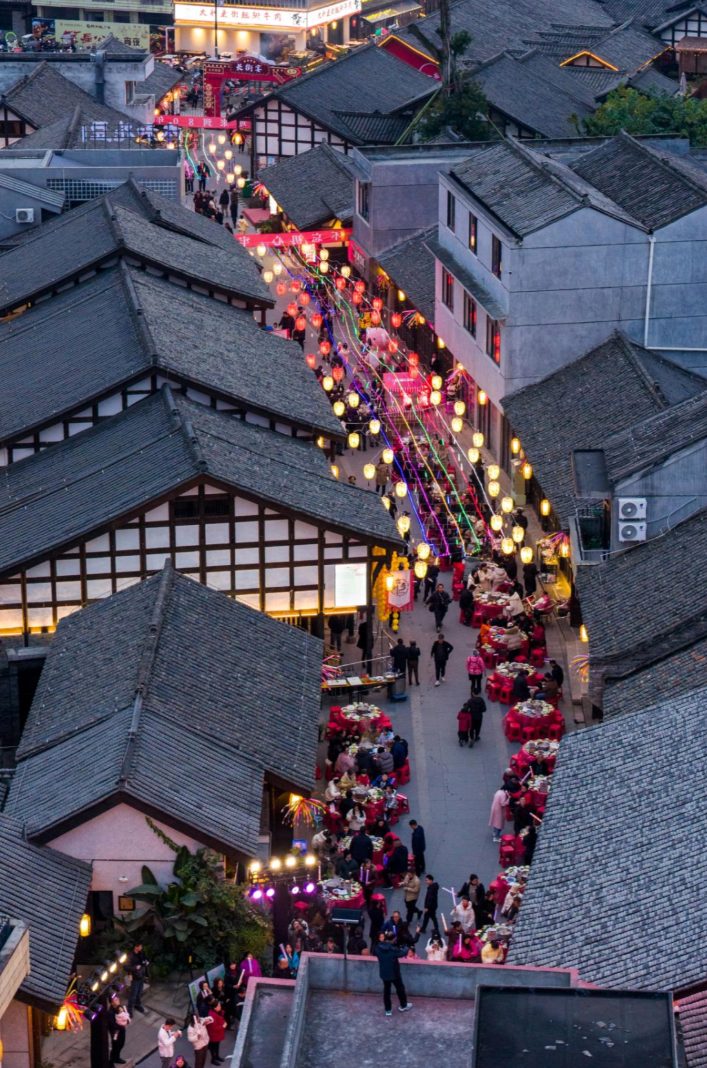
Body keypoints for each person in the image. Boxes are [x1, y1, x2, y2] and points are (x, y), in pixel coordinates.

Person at [374, 933, 412, 1016]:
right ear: (394, 939)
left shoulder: (378, 947)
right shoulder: (393, 949)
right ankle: (403, 1005)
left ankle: (388, 1009)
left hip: (384, 972)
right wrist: (405, 946)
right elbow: (402, 953)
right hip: (394, 973)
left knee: (386, 991)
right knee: (400, 988)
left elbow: (375, 952)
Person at [126, 941, 148, 1016]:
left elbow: (145, 960)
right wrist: (135, 968)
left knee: (139, 992)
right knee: (133, 994)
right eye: (140, 946)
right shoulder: (131, 956)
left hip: (141, 975)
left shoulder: (141, 954)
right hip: (135, 977)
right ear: (136, 947)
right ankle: (129, 1008)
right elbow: (126, 966)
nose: (141, 948)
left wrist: (146, 963)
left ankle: (137, 1004)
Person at [108, 994, 129, 1066]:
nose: (118, 1000)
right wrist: (122, 1027)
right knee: (115, 1047)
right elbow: (112, 1024)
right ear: (112, 1003)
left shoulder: (120, 1007)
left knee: (121, 1044)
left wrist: (126, 1021)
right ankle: (111, 1062)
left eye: (117, 998)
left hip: (122, 1030)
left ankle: (117, 1058)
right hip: (115, 1033)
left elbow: (125, 1014)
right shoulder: (110, 1012)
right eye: (116, 1000)